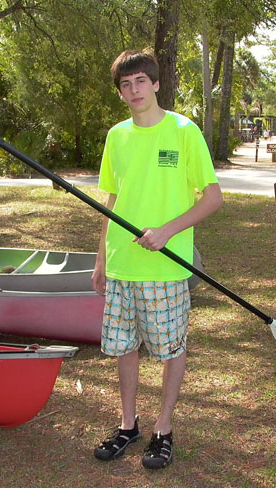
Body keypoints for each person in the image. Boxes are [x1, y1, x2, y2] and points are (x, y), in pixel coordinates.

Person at [92, 50, 222, 470]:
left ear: (156, 83)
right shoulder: (117, 136)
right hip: (121, 265)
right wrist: (100, 261)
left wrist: (166, 231)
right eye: (125, 85)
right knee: (125, 348)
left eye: (140, 82)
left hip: (166, 267)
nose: (134, 91)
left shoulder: (184, 132)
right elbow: (112, 201)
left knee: (169, 349)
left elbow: (213, 198)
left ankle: (163, 429)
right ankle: (128, 425)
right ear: (120, 92)